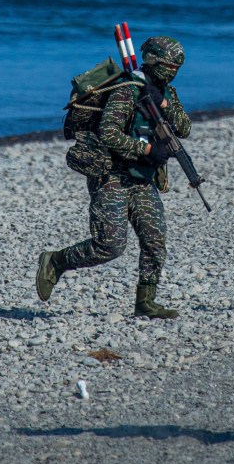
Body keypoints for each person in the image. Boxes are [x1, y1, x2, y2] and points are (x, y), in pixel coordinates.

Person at [36, 36, 192, 319]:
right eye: (169, 66)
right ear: (155, 61)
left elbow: (184, 128)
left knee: (155, 240)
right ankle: (56, 261)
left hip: (143, 179)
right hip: (112, 176)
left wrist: (165, 105)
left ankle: (146, 300)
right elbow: (109, 133)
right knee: (109, 246)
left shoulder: (166, 91)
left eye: (176, 68)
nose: (172, 72)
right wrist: (145, 148)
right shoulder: (127, 90)